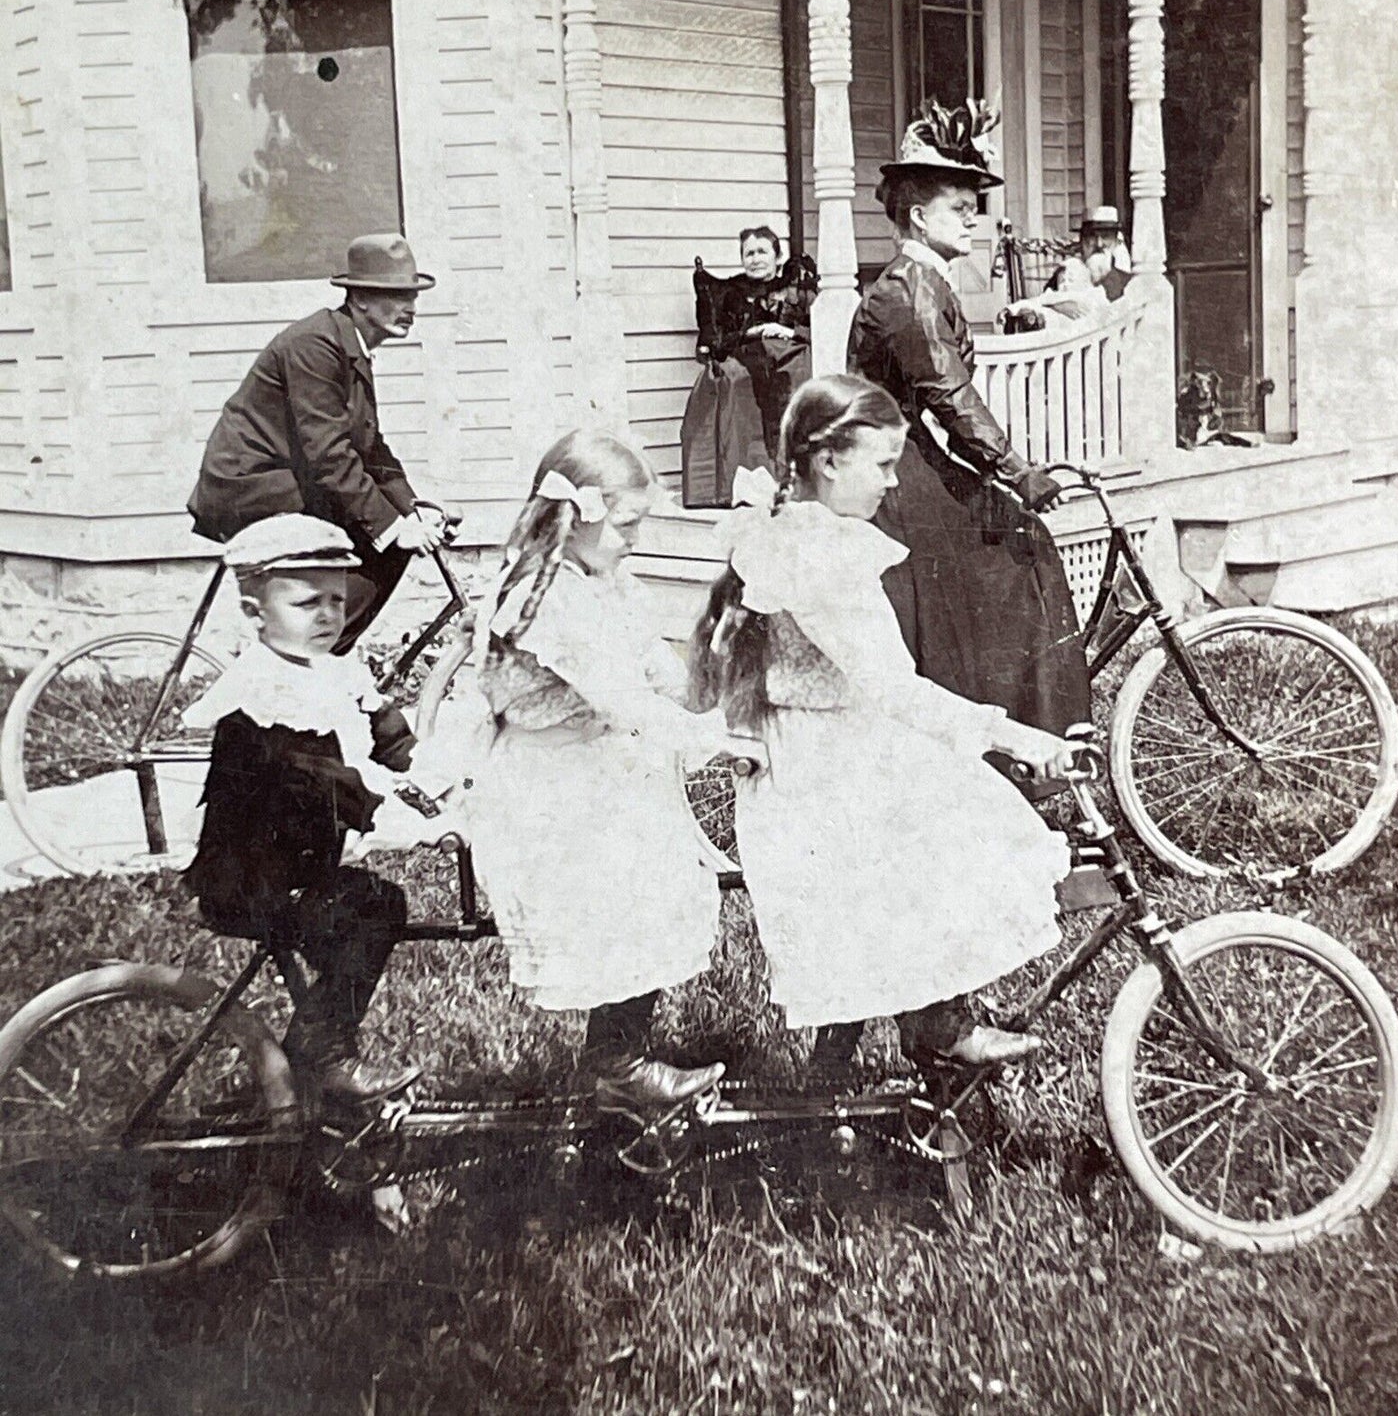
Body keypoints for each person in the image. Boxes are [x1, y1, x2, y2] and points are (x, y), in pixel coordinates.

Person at [691, 375, 1074, 1077]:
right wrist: (1013, 734)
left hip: (830, 748)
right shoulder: (818, 555)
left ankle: (917, 1031)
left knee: (947, 815)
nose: (892, 485)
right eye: (882, 464)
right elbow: (893, 689)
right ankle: (930, 1031)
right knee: (957, 829)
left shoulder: (802, 534)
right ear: (828, 460)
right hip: (817, 772)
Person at [460, 431, 757, 1111]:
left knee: (657, 864)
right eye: (626, 526)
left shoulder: (602, 582)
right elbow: (620, 701)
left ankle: (616, 1056)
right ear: (578, 517)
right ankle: (616, 1063)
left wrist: (714, 656)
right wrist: (709, 737)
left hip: (592, 765)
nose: (634, 540)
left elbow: (659, 674)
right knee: (632, 876)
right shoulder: (541, 596)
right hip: (546, 785)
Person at [847, 100, 1090, 739]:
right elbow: (950, 394)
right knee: (1011, 546)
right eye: (961, 208)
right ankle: (1007, 740)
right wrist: (1018, 473)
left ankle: (1020, 734)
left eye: (973, 208)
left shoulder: (922, 282)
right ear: (919, 217)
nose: (974, 221)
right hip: (883, 468)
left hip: (905, 452)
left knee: (1011, 541)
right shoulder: (910, 290)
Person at [182, 514, 435, 1103]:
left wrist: (426, 776)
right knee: (371, 911)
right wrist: (388, 813)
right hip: (250, 878)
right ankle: (324, 1058)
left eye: (337, 601)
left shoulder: (332, 670)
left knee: (364, 908)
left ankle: (294, 1082)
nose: (327, 616)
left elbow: (385, 733)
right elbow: (316, 781)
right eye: (306, 603)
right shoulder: (259, 694)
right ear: (255, 614)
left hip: (295, 869)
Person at [187, 233, 450, 655]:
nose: (410, 308)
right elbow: (330, 455)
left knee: (386, 546)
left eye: (413, 296)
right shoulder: (316, 345)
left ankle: (320, 659)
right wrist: (393, 527)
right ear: (360, 299)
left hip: (288, 482)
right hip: (250, 487)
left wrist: (412, 508)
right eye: (397, 295)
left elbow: (369, 447)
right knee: (371, 541)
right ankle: (309, 665)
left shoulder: (350, 346)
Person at [680, 226, 817, 507]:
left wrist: (788, 331)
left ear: (777, 257)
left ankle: (792, 475)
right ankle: (746, 480)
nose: (755, 259)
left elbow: (822, 328)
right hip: (745, 355)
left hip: (789, 354)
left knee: (799, 372)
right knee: (735, 378)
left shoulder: (794, 291)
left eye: (762, 252)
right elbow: (717, 339)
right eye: (748, 253)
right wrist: (752, 333)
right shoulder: (731, 294)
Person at [1003, 204, 1134, 329]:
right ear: (1082, 241)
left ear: (1116, 242)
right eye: (1092, 237)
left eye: (1106, 237)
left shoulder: (1124, 280)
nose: (1099, 244)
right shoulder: (1067, 271)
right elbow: (1045, 299)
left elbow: (1098, 309)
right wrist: (1063, 306)